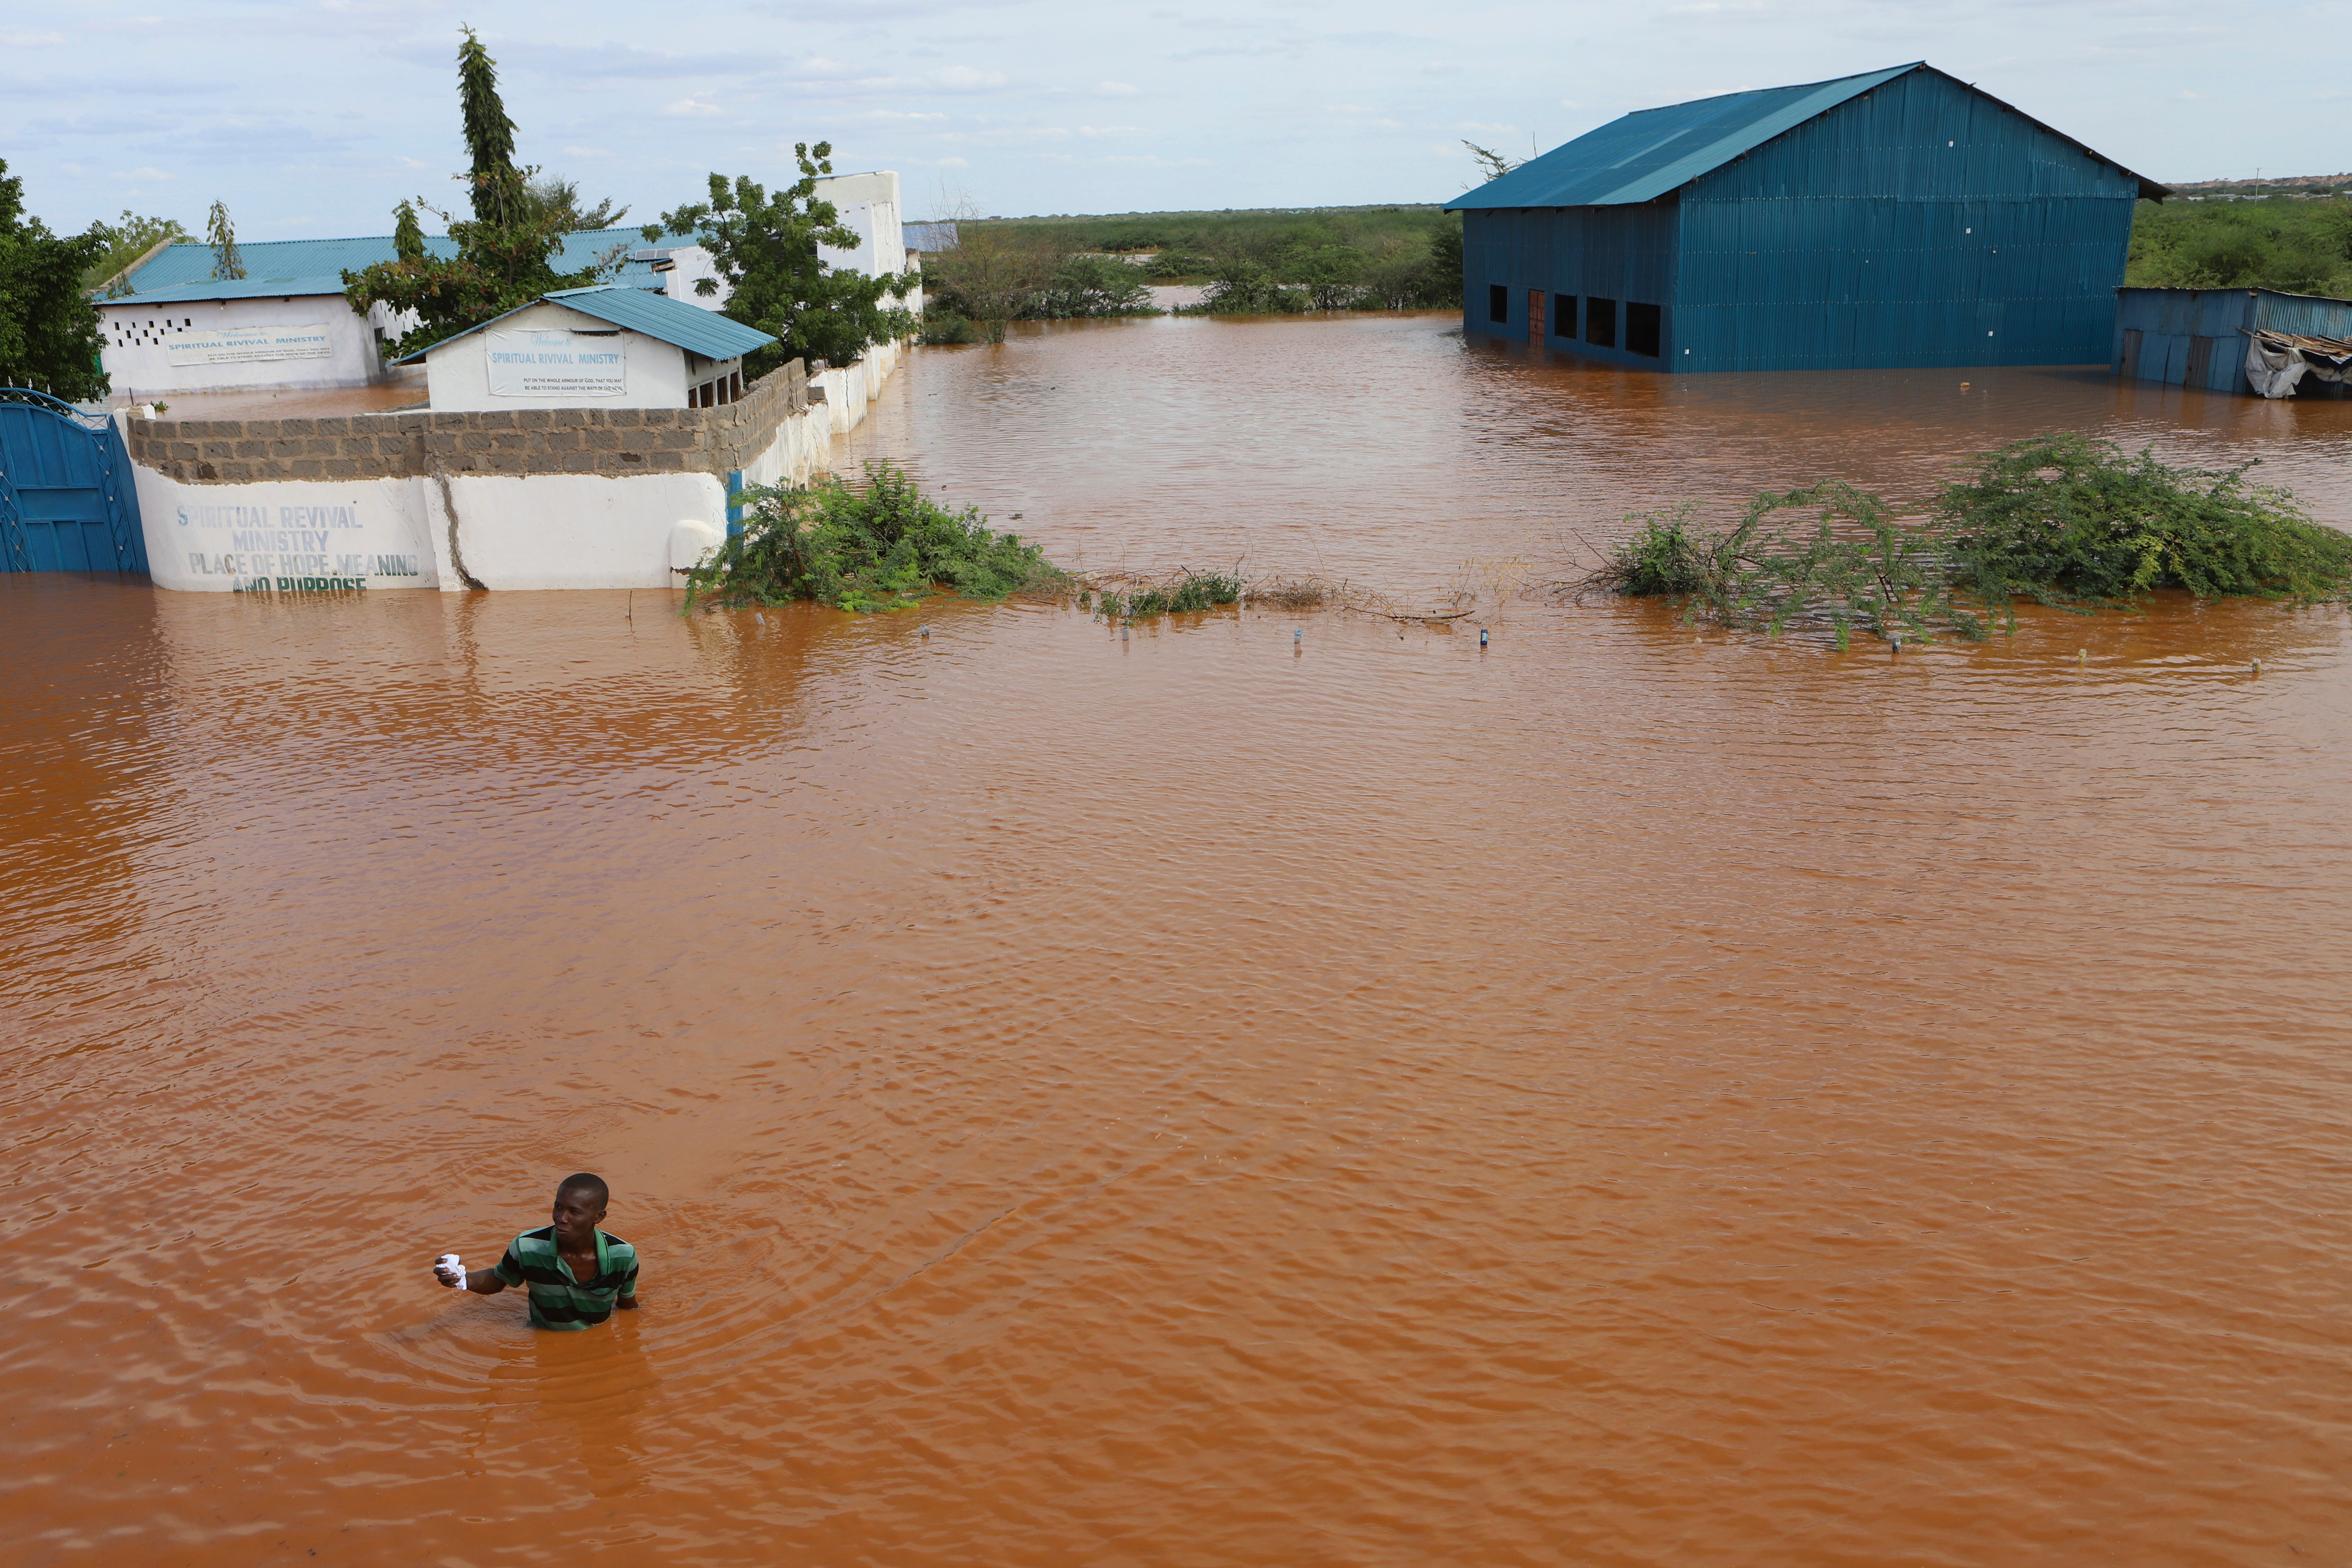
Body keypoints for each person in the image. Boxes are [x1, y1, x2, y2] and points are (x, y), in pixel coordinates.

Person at [435, 1173, 640, 1330]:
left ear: (599, 1217)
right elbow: (498, 1280)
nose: (562, 1218)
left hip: (597, 1345)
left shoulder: (622, 1256)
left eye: (574, 1212)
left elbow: (628, 1306)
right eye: (558, 1208)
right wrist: (462, 1279)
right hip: (544, 1335)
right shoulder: (527, 1248)